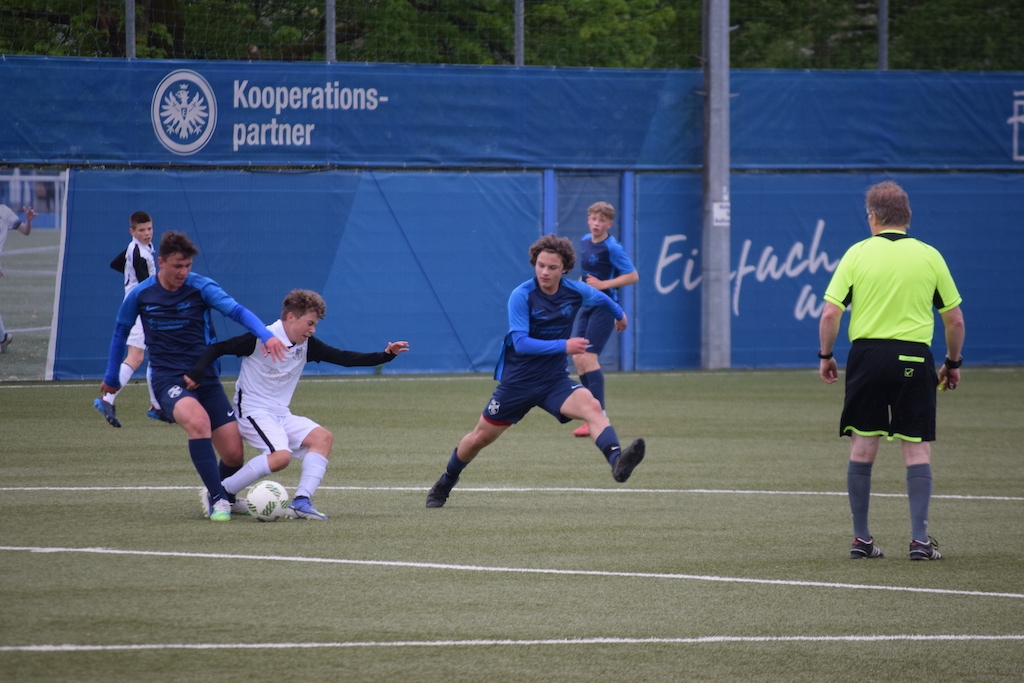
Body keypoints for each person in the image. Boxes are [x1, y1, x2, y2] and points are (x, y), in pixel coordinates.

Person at [425, 234, 646, 508]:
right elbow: (521, 343)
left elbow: (601, 298)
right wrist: (564, 345)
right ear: (534, 263)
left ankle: (617, 461)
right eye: (541, 265)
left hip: (554, 381)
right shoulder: (522, 295)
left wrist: (619, 315)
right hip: (518, 383)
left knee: (592, 406)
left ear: (564, 268)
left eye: (552, 267)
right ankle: (446, 481)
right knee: (479, 438)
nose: (545, 272)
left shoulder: (575, 291)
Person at [818, 180, 965, 561]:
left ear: (873, 217)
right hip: (914, 358)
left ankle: (862, 539)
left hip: (866, 358)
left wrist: (826, 355)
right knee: (916, 448)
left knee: (863, 445)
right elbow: (955, 321)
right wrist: (952, 363)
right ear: (908, 216)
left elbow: (831, 313)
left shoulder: (857, 253)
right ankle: (919, 541)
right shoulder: (930, 256)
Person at [99, 231, 287, 522]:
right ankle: (218, 499)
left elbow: (236, 312)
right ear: (161, 262)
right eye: (177, 266)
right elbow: (120, 332)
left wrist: (265, 335)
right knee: (198, 422)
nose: (183, 272)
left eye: (187, 266)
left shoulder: (201, 287)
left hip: (205, 376)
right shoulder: (141, 294)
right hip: (167, 378)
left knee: (234, 454)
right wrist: (112, 376)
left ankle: (224, 493)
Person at [185, 289, 409, 521]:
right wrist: (197, 371)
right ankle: (219, 493)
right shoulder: (261, 337)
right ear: (291, 317)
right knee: (280, 457)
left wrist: (385, 355)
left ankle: (301, 501)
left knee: (322, 438)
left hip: (280, 414)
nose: (312, 330)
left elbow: (344, 358)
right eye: (310, 323)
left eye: (315, 325)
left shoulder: (307, 345)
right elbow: (216, 349)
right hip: (252, 412)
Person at [93, 211, 173, 427]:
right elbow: (149, 286)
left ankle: (157, 406)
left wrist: (131, 280)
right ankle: (107, 399)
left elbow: (116, 263)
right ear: (132, 231)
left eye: (149, 228)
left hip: (138, 306)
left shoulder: (135, 248)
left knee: (154, 353)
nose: (147, 233)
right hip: (142, 309)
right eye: (142, 230)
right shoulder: (141, 254)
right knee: (136, 357)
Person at [570, 201, 639, 437]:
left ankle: (599, 417)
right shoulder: (584, 241)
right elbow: (587, 276)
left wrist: (603, 285)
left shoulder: (612, 247)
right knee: (578, 358)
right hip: (587, 304)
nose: (596, 223)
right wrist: (579, 286)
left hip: (604, 306)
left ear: (609, 224)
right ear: (588, 220)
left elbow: (633, 276)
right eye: (593, 219)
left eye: (602, 220)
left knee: (588, 357)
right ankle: (591, 415)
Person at [0, 204, 36, 353]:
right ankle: (2, 338)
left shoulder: (4, 212)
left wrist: (29, 220)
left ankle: (2, 338)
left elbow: (25, 231)